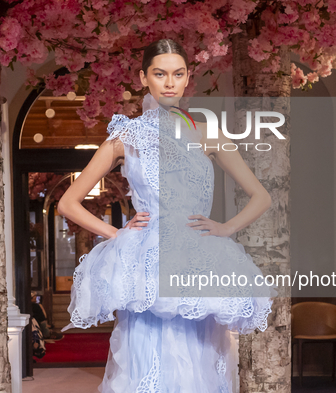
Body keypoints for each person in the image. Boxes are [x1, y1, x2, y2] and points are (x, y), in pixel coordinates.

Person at [57, 38, 275, 392]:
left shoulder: (208, 133)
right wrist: (117, 234)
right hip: (147, 259)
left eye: (178, 74)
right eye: (160, 74)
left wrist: (224, 228)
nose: (170, 82)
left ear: (188, 78)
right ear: (144, 78)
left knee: (201, 358)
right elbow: (68, 202)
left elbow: (261, 196)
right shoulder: (124, 138)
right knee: (143, 354)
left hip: (198, 256)